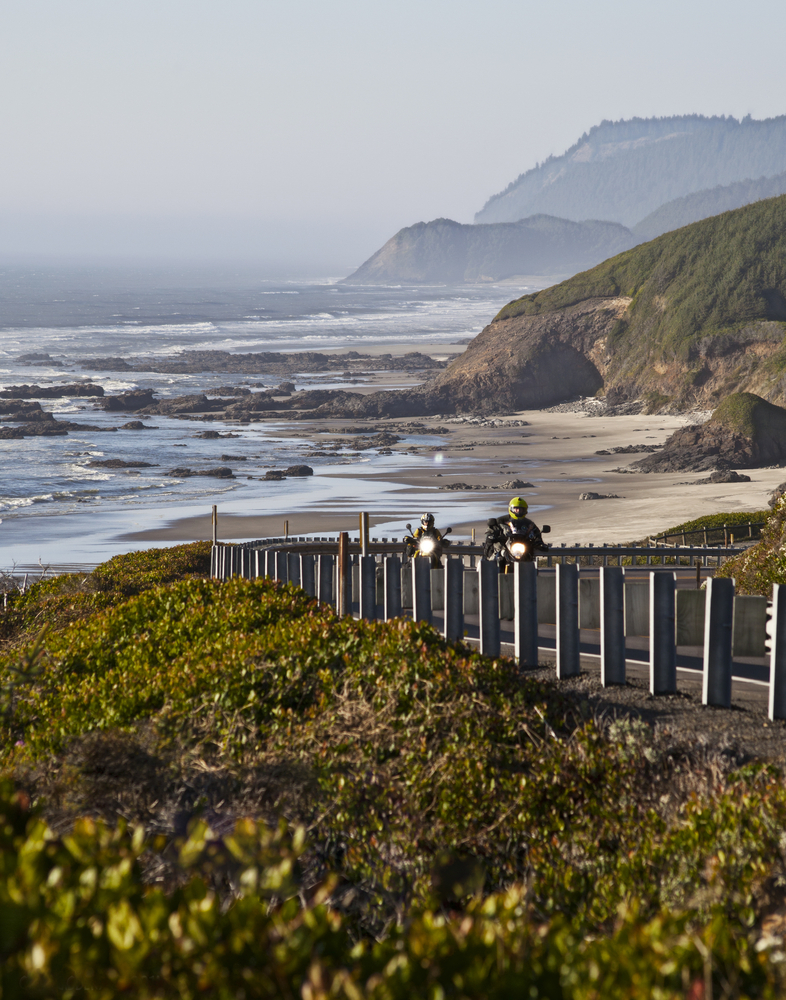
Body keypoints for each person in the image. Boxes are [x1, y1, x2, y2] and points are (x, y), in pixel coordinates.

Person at [484, 496, 549, 565]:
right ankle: (491, 569)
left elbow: (536, 533)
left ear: (525, 510)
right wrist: (491, 535)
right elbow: (491, 529)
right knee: (496, 556)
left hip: (523, 547)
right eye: (516, 509)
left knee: (530, 556)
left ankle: (530, 572)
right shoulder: (501, 521)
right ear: (511, 509)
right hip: (505, 545)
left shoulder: (529, 523)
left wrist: (540, 543)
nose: (518, 511)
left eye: (521, 509)